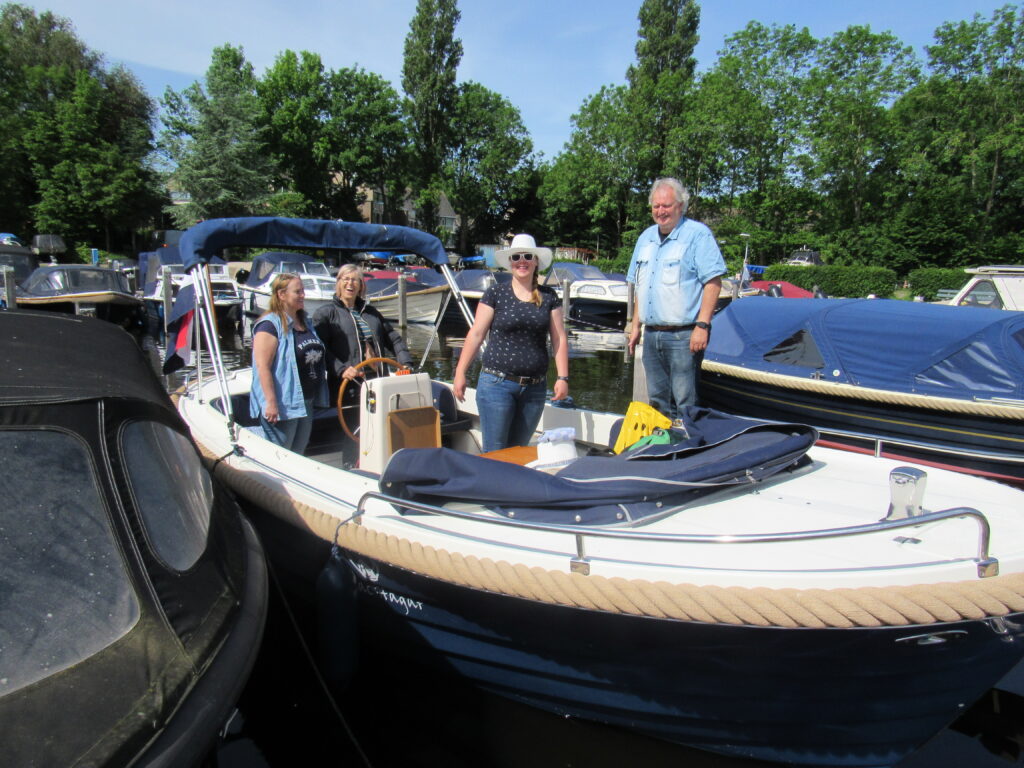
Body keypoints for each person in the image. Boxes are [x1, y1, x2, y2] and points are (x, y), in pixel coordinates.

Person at [453, 234, 569, 453]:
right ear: (510, 262)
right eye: (517, 256)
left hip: (535, 389)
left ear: (536, 261)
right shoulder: (495, 293)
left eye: (528, 256)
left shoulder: (549, 296)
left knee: (518, 453)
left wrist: (562, 377)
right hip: (497, 385)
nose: (522, 261)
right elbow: (476, 334)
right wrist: (460, 372)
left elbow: (559, 338)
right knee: (496, 454)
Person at [627, 178, 726, 420]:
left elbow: (713, 283)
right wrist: (635, 325)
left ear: (680, 206)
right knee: (657, 403)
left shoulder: (697, 235)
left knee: (686, 402)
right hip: (652, 335)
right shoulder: (645, 238)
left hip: (684, 335)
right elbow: (641, 285)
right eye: (656, 206)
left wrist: (702, 326)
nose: (661, 212)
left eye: (666, 206)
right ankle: (663, 449)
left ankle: (689, 450)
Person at [312, 264, 414, 405]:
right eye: (346, 279)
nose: (350, 284)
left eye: (355, 280)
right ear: (338, 282)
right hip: (349, 386)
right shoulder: (326, 314)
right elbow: (321, 349)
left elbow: (393, 339)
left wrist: (405, 363)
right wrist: (341, 370)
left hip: (378, 382)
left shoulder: (372, 313)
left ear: (361, 285)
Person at [250, 273, 328, 453]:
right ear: (281, 295)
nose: (303, 295)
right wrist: (271, 402)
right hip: (284, 403)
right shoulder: (269, 325)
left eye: (303, 291)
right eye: (297, 292)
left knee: (298, 453)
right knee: (282, 454)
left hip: (305, 401)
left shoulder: (305, 322)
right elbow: (263, 367)